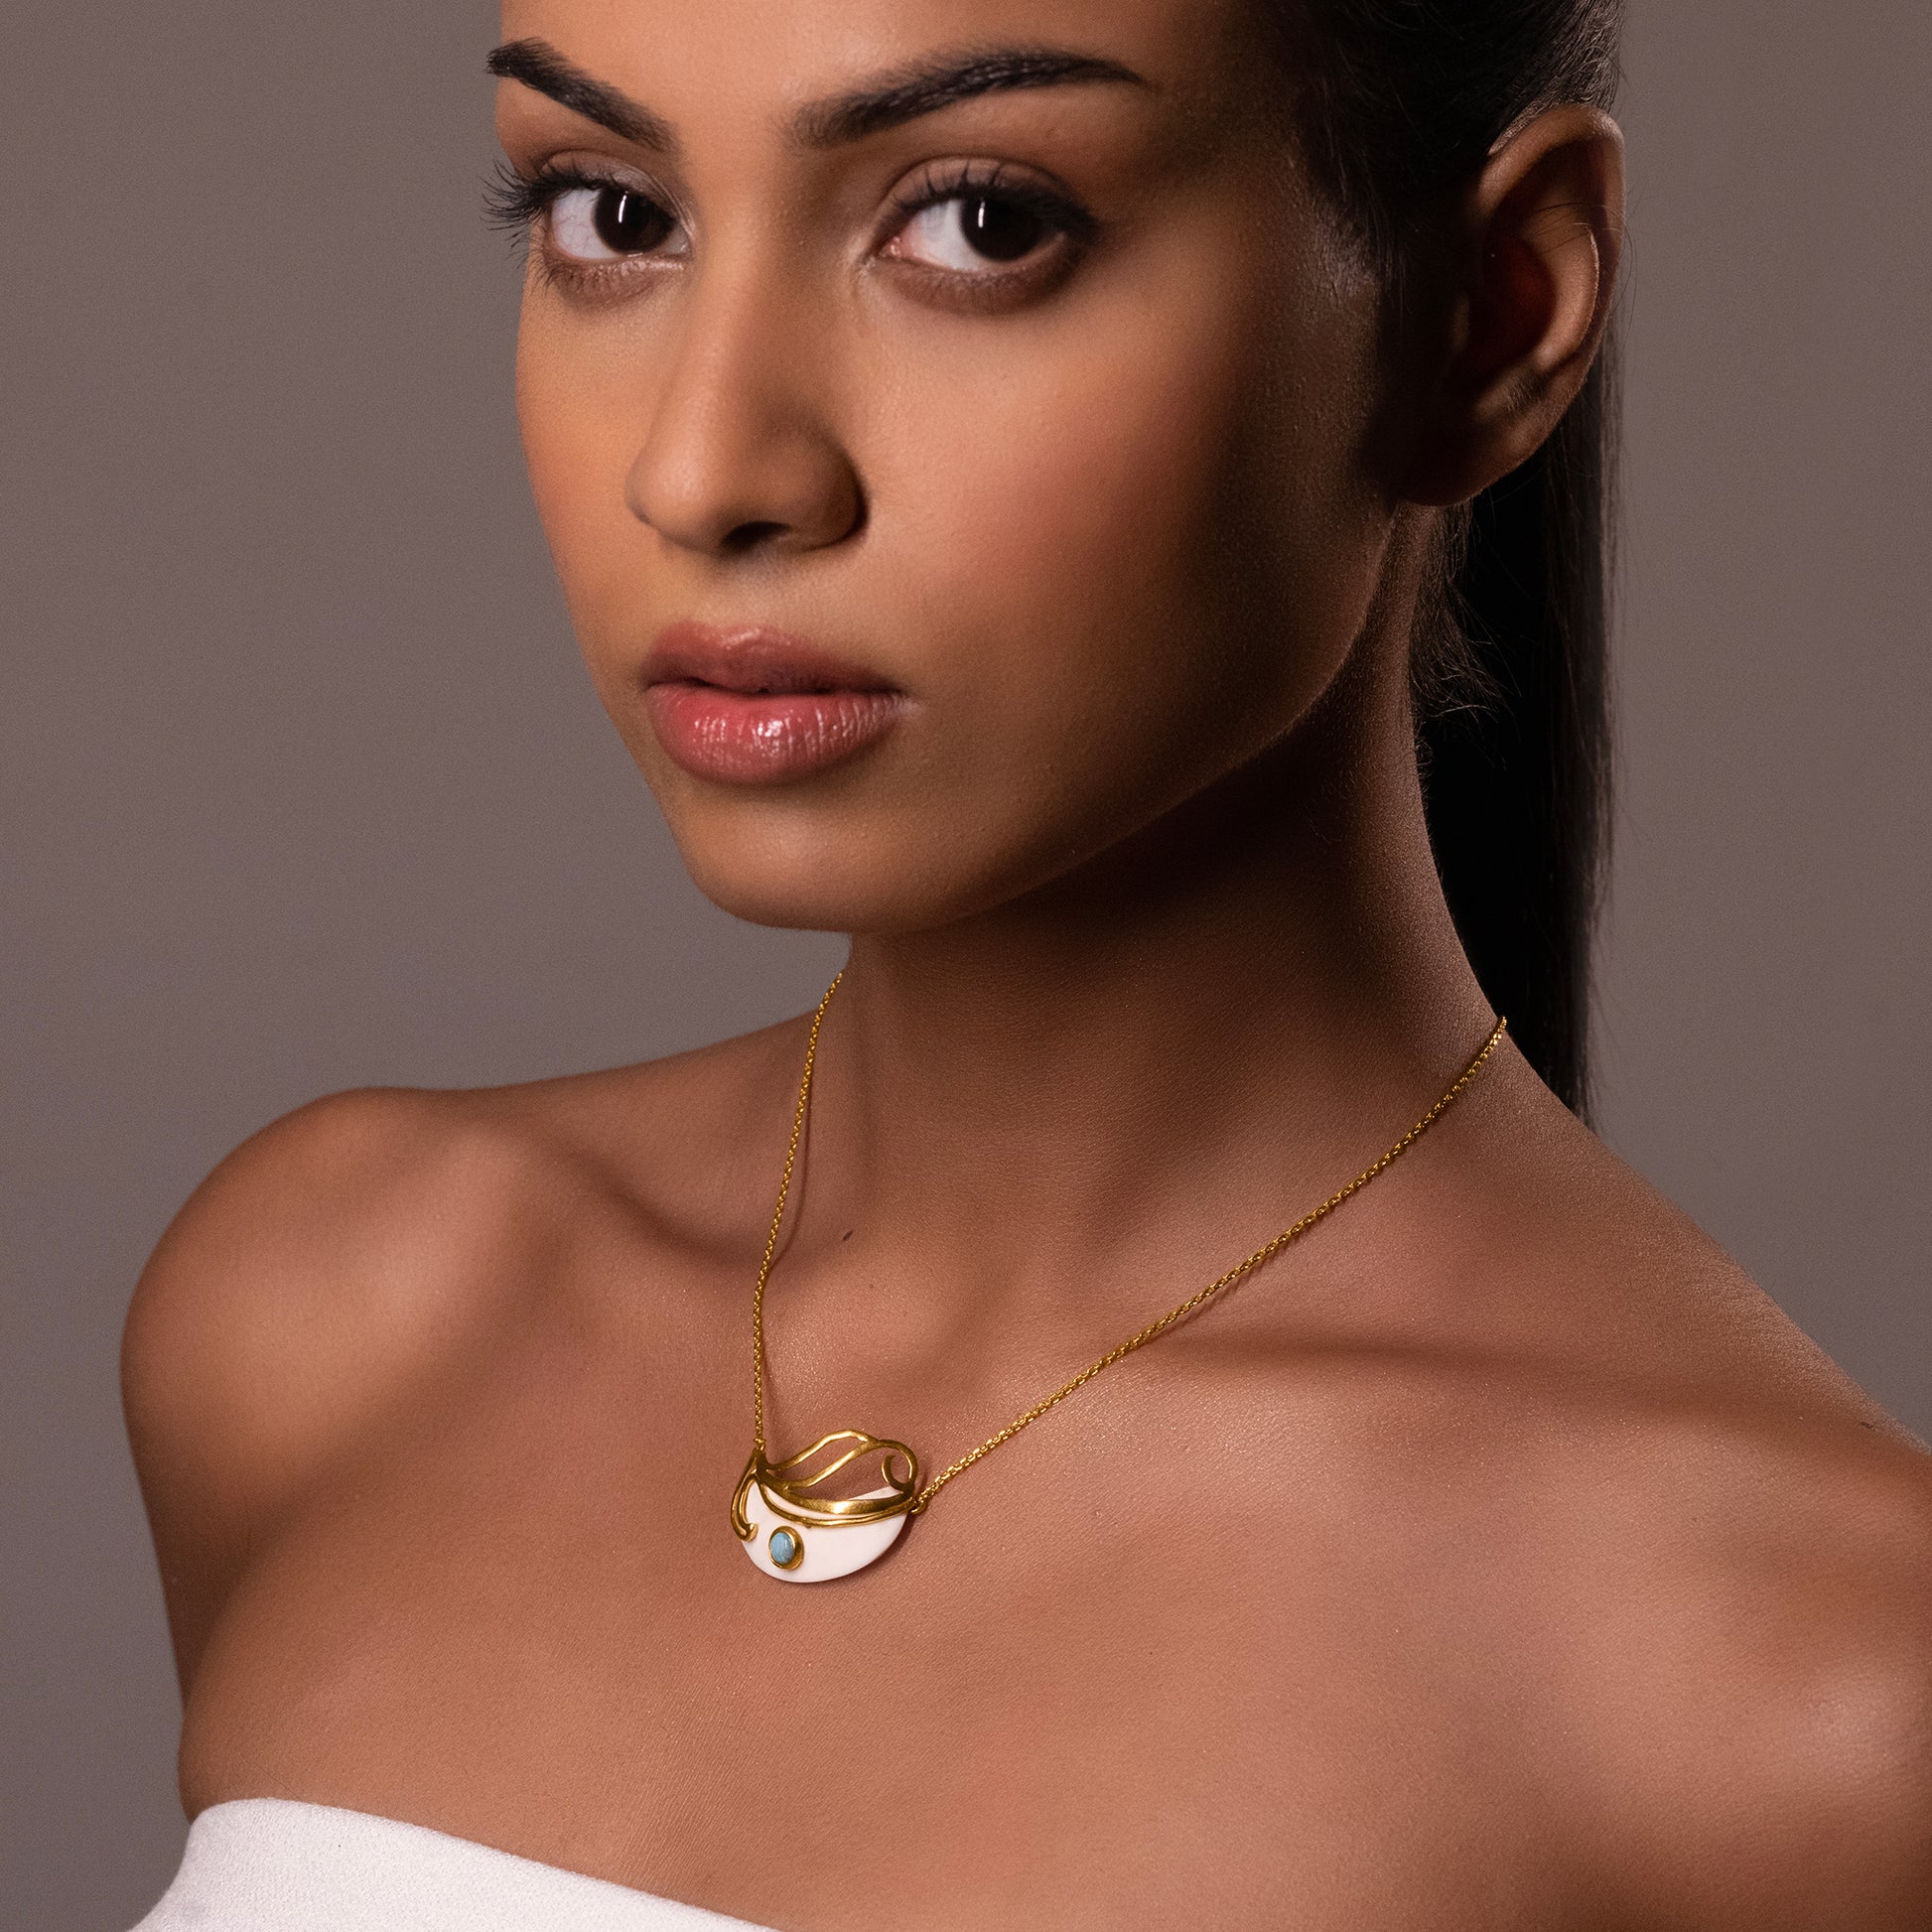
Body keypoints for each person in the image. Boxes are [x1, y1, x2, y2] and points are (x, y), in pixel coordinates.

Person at [124, 0, 1932, 1926]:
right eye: (615, 214)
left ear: (1491, 312)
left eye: (981, 222)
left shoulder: (1815, 1698)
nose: (706, 468)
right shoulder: (334, 1323)